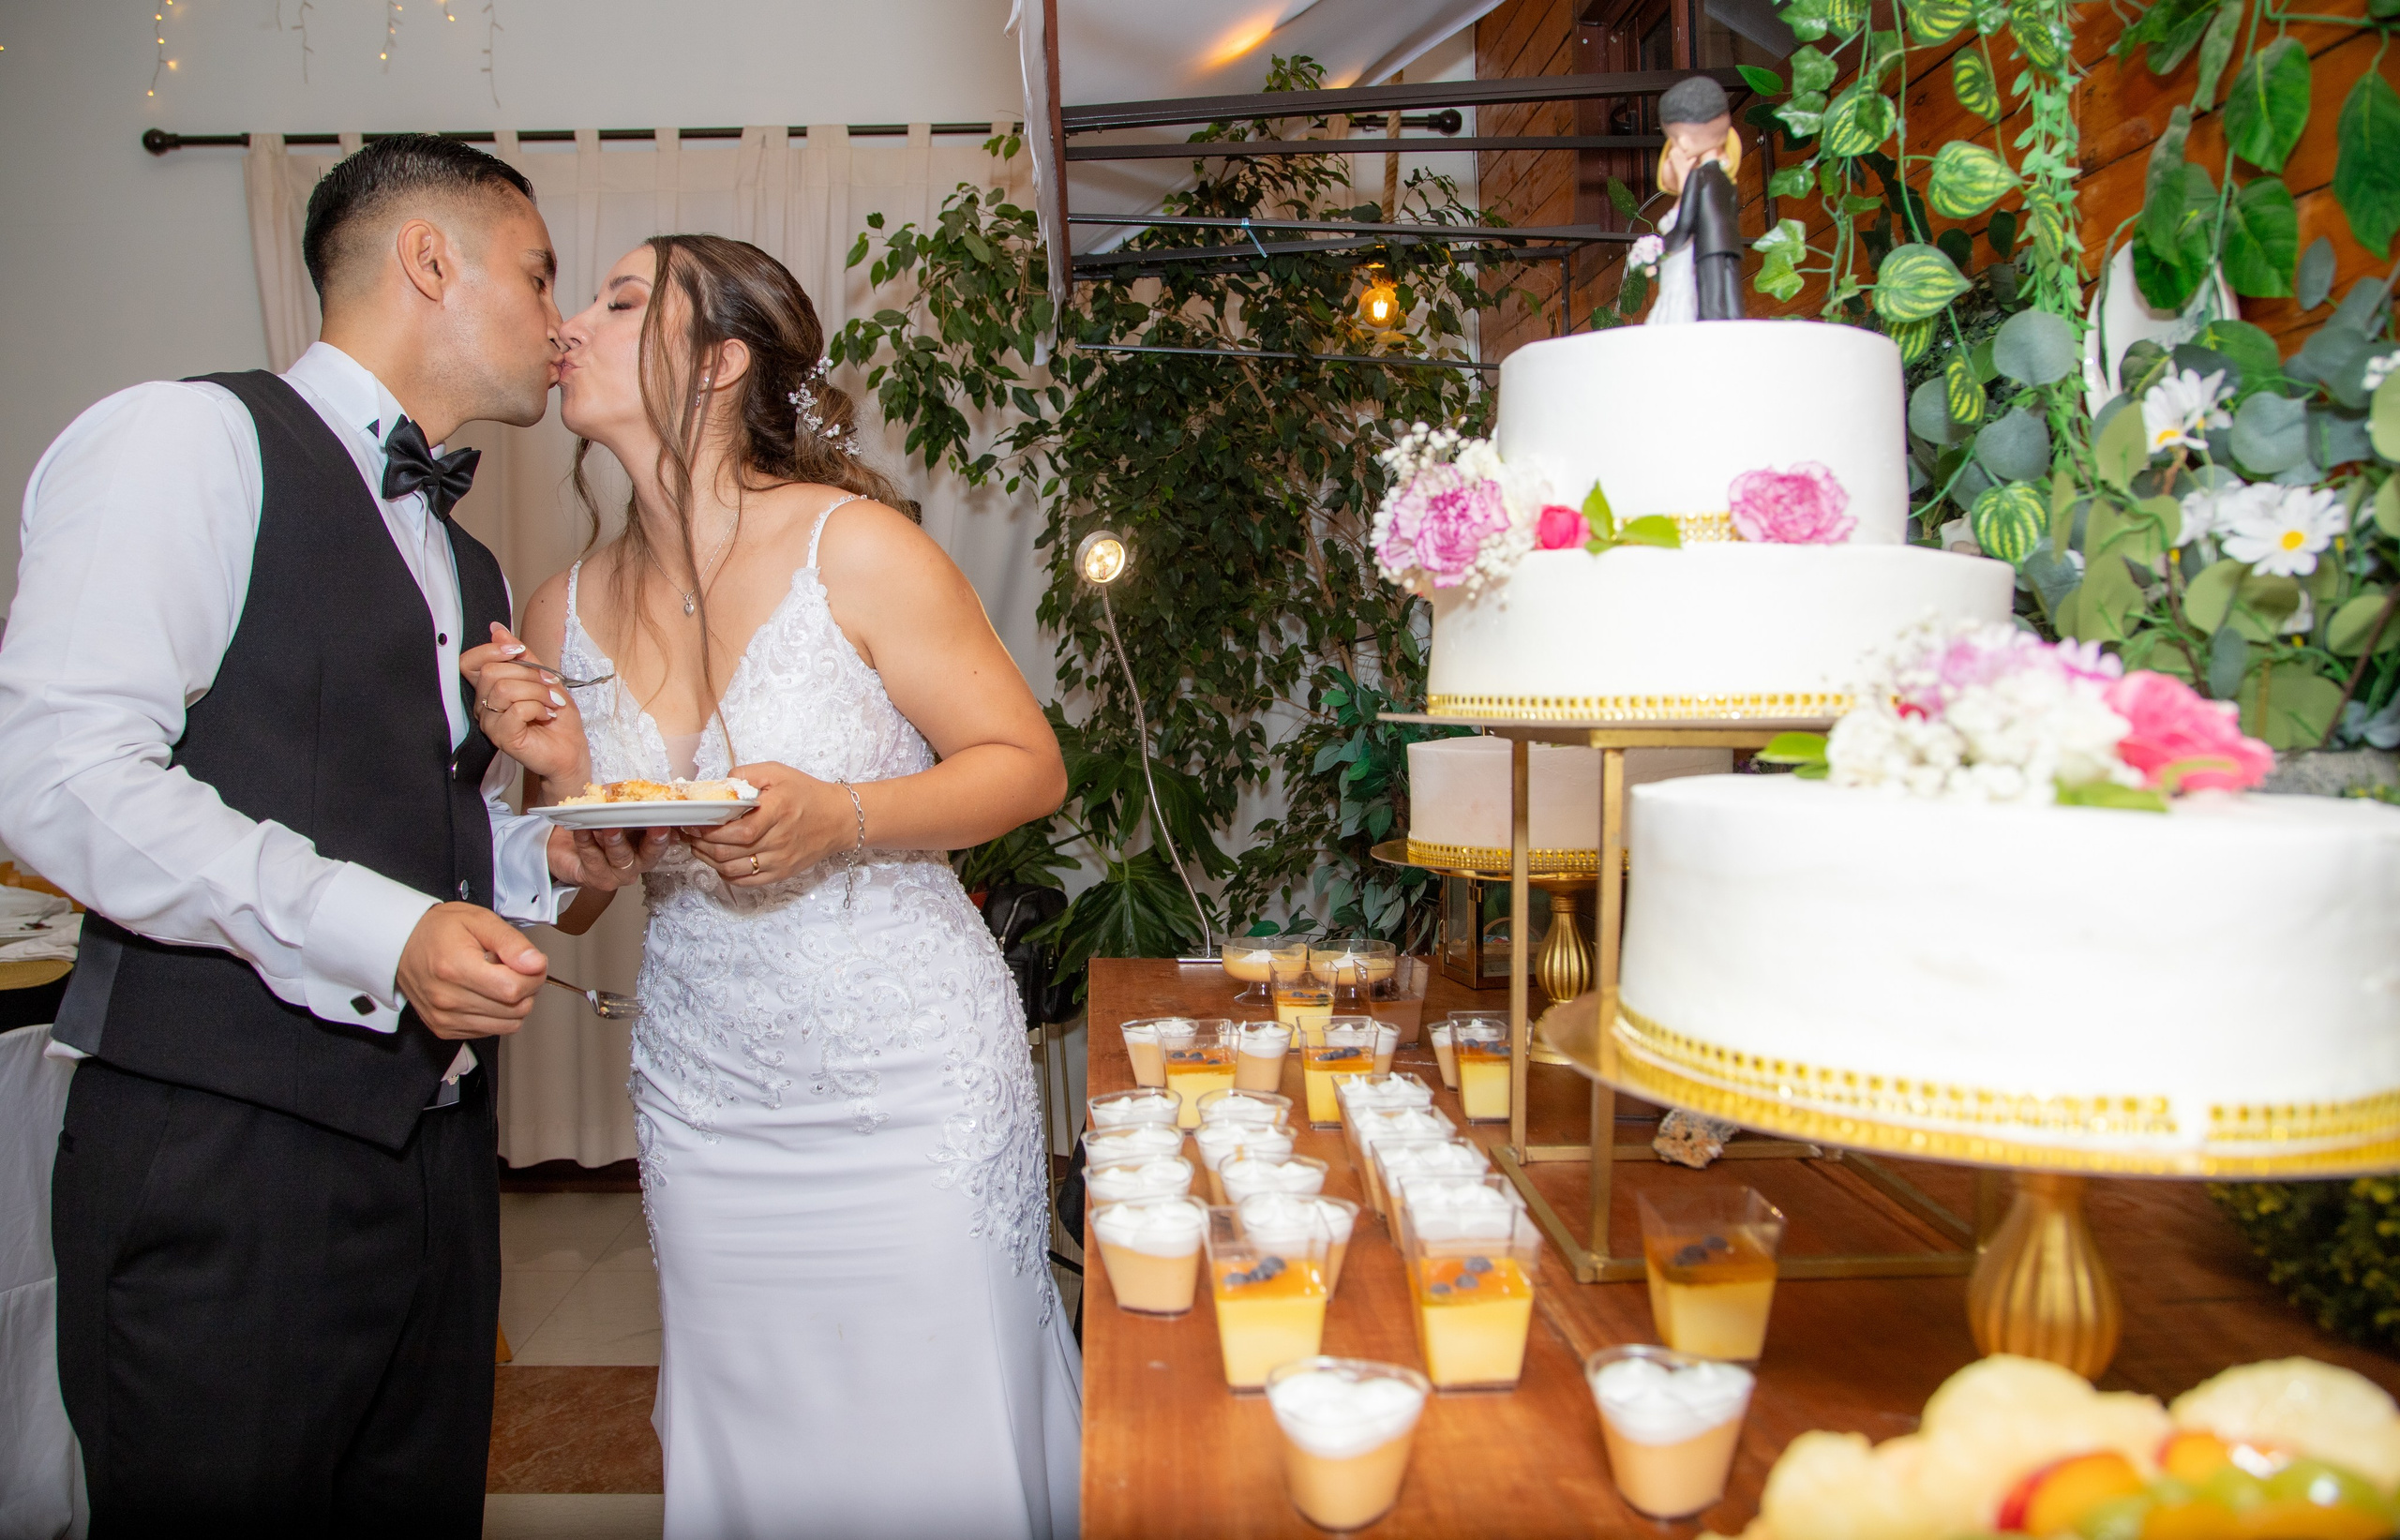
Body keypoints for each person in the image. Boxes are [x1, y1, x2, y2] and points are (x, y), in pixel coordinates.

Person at [0, 136, 655, 1533]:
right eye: (540, 275)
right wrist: (383, 930)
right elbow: (61, 775)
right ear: (430, 259)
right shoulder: (183, 440)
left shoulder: (461, 555)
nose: (558, 324)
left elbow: (405, 820)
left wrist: (550, 856)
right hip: (222, 1158)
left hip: (428, 1161)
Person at [466, 233, 1078, 1538]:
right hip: (707, 1090)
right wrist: (571, 794)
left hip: (908, 1077)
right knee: (757, 1432)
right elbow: (572, 893)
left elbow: (1029, 767)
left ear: (721, 358)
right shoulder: (560, 606)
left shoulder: (853, 547)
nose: (573, 321)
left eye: (622, 299)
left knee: (936, 1425)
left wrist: (841, 815)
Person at [1649, 75, 1747, 324]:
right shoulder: (1726, 180)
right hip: (1731, 244)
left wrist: (1660, 253)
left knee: (1712, 301)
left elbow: (1685, 223)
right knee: (1731, 298)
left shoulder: (1699, 177)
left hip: (1708, 246)